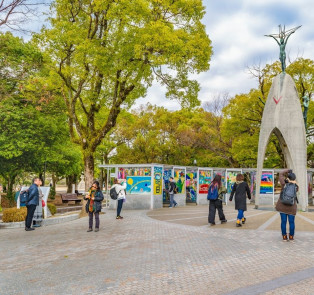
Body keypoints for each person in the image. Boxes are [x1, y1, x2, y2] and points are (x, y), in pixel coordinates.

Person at [275, 170, 298, 241]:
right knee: (291, 222)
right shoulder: (296, 186)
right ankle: (291, 236)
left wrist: (288, 170)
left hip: (282, 206)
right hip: (291, 206)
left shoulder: (283, 184)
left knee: (283, 221)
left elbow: (281, 173)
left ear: (288, 178)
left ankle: (284, 236)